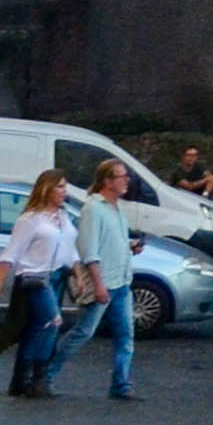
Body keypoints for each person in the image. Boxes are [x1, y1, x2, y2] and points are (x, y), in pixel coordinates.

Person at [0, 169, 80, 398]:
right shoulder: (30, 219)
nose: (64, 192)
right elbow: (12, 251)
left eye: (64, 187)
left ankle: (22, 378)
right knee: (53, 321)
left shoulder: (64, 216)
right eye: (59, 186)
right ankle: (37, 377)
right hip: (35, 278)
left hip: (58, 276)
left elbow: (70, 249)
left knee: (37, 327)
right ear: (46, 188)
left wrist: (77, 273)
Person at [74, 160, 143, 402]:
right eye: (122, 176)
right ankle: (46, 372)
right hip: (105, 283)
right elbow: (89, 251)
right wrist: (99, 285)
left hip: (122, 281)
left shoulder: (116, 208)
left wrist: (130, 247)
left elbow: (110, 243)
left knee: (126, 336)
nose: (127, 180)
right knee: (83, 332)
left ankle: (121, 385)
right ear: (107, 181)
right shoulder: (93, 209)